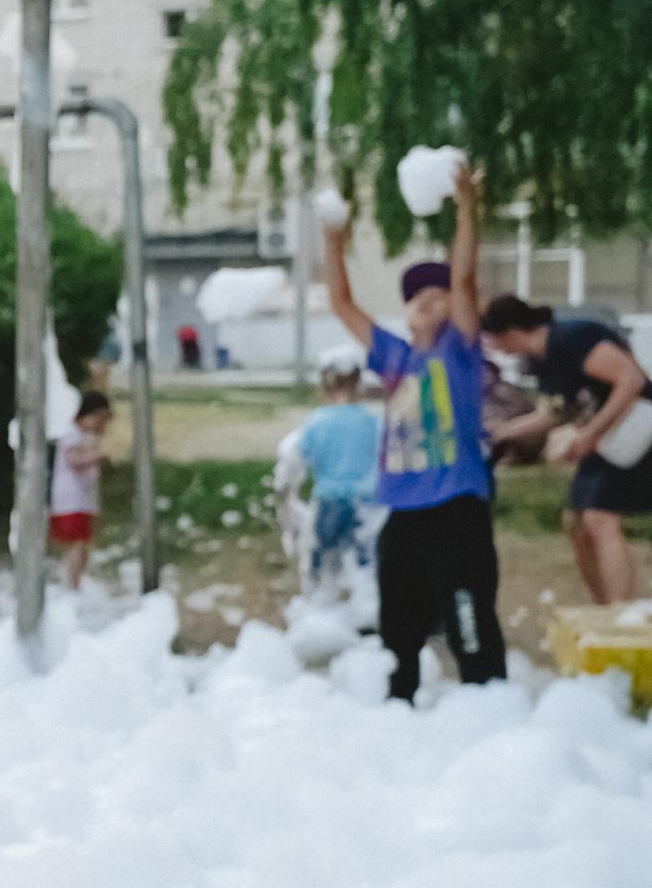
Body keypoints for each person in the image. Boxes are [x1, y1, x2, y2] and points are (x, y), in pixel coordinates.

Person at [322, 166, 507, 699]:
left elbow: (465, 278)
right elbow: (341, 303)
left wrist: (466, 207)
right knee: (398, 619)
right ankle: (399, 702)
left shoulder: (460, 353)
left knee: (467, 613)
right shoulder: (396, 359)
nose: (427, 302)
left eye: (437, 295)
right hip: (405, 511)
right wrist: (333, 240)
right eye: (415, 298)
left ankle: (487, 702)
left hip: (457, 508)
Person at [478, 294, 652, 605]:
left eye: (492, 338)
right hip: (606, 438)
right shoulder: (544, 360)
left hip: (636, 430)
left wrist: (588, 433)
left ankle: (620, 612)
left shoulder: (573, 338)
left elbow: (631, 379)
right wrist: (500, 433)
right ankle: (602, 606)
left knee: (600, 520)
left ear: (509, 332)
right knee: (576, 523)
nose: (493, 347)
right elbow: (554, 413)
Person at [273, 358, 383, 590]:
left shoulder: (317, 422)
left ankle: (322, 610)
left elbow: (297, 458)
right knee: (365, 568)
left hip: (329, 502)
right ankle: (364, 614)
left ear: (326, 385)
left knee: (323, 567)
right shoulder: (373, 422)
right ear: (358, 383)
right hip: (368, 505)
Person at [50, 388, 112, 585]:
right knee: (75, 545)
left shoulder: (82, 435)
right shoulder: (71, 434)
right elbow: (74, 461)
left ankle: (75, 582)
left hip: (82, 499)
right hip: (70, 500)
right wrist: (97, 456)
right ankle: (71, 583)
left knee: (82, 545)